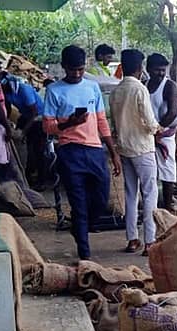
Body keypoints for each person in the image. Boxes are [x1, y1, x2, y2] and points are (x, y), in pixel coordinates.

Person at [44, 45, 121, 261]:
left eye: (80, 69)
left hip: (95, 150)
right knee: (78, 202)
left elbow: (102, 121)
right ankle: (84, 254)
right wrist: (69, 123)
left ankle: (80, 226)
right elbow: (48, 126)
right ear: (63, 67)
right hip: (69, 151)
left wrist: (113, 152)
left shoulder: (92, 88)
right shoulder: (54, 90)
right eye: (72, 70)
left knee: (101, 198)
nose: (77, 74)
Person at [109, 49, 161, 256]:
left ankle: (132, 239)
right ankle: (150, 240)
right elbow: (149, 122)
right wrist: (159, 129)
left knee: (131, 194)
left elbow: (113, 122)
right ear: (140, 68)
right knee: (150, 194)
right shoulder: (140, 89)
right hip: (142, 147)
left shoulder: (116, 91)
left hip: (124, 148)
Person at [145, 53, 177, 209]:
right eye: (157, 70)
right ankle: (150, 206)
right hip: (147, 135)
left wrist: (158, 130)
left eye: (163, 70)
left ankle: (168, 206)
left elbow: (172, 112)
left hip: (163, 135)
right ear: (148, 69)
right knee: (148, 172)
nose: (161, 73)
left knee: (167, 171)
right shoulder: (144, 85)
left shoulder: (169, 86)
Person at [2, 73, 48, 189]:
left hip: (38, 118)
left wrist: (23, 132)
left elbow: (34, 112)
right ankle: (27, 177)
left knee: (38, 150)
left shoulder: (24, 90)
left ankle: (41, 180)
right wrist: (7, 123)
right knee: (28, 148)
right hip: (26, 116)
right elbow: (6, 108)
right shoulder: (5, 91)